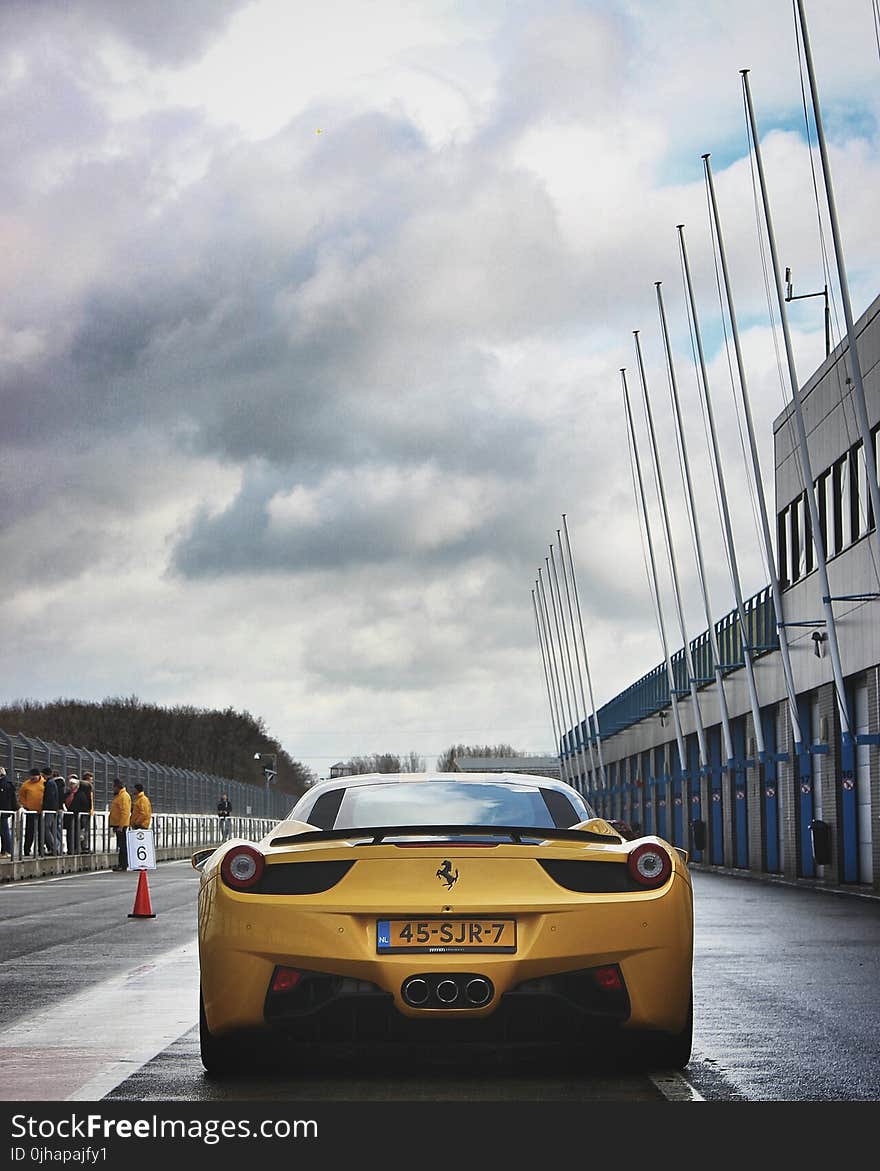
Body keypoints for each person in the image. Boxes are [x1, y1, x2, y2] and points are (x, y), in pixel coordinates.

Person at [17, 768, 45, 856]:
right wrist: (26, 805)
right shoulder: (26, 784)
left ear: (39, 775)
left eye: (34, 777)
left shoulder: (44, 783)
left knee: (41, 831)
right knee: (30, 831)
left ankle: (41, 849)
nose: (32, 778)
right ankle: (27, 850)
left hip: (42, 811)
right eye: (31, 777)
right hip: (31, 811)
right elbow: (21, 795)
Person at [109, 778, 131, 871]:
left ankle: (123, 864)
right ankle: (122, 864)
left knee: (122, 845)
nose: (112, 788)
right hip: (118, 824)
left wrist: (121, 825)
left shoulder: (123, 796)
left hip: (121, 825)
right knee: (121, 845)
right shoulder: (119, 796)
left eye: (113, 786)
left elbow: (125, 812)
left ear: (117, 786)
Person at [40, 767, 61, 854]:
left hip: (49, 810)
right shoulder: (51, 783)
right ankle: (55, 847)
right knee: (51, 829)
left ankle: (55, 847)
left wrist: (45, 808)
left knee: (46, 828)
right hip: (51, 810)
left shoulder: (50, 783)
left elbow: (50, 798)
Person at [69, 776, 93, 852]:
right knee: (82, 832)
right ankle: (84, 847)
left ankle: (79, 848)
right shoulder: (86, 795)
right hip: (84, 815)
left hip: (79, 816)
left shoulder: (79, 795)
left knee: (78, 833)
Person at [0, 767, 17, 856]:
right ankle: (5, 850)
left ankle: (7, 850)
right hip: (6, 810)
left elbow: (3, 799)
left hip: (3, 811)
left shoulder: (3, 784)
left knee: (4, 830)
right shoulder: (8, 783)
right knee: (4, 830)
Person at [63, 775, 79, 853]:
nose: (71, 786)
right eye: (70, 784)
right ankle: (70, 848)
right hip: (69, 816)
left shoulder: (79, 794)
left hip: (76, 816)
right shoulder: (67, 794)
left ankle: (75, 848)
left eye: (73, 784)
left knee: (76, 832)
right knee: (69, 833)